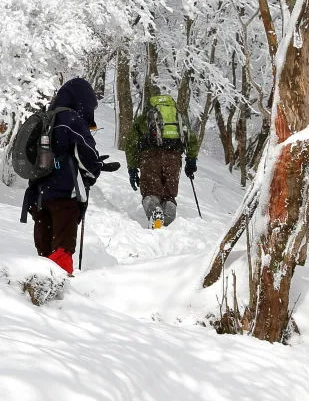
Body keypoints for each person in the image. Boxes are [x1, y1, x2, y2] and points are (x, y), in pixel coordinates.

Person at [23, 77, 118, 275]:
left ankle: (39, 292)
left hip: (38, 195)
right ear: (82, 101)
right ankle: (62, 294)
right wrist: (96, 168)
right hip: (65, 195)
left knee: (45, 253)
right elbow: (85, 153)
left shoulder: (47, 117)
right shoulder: (71, 119)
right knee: (62, 251)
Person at [124, 89, 199, 228]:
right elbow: (192, 140)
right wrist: (191, 160)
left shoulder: (145, 118)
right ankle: (168, 223)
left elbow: (131, 143)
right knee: (169, 195)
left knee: (150, 192)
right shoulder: (178, 117)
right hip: (173, 159)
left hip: (150, 158)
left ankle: (155, 213)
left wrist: (132, 168)